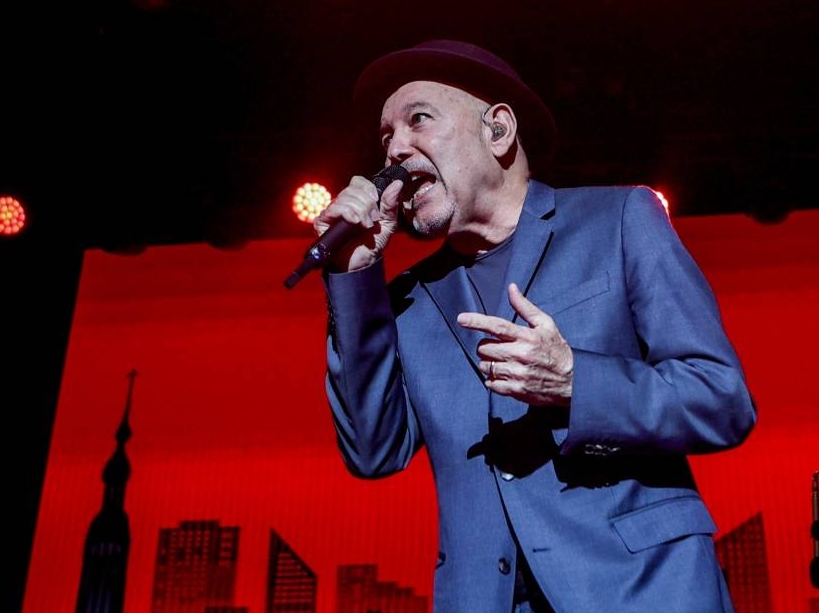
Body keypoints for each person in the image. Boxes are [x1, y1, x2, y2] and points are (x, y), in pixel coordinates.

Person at [314, 39, 756, 612]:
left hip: (642, 590)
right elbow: (374, 453)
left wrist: (578, 383)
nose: (395, 151)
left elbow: (721, 399)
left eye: (417, 120)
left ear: (498, 131)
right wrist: (354, 280)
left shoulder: (620, 219)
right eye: (385, 138)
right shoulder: (410, 299)